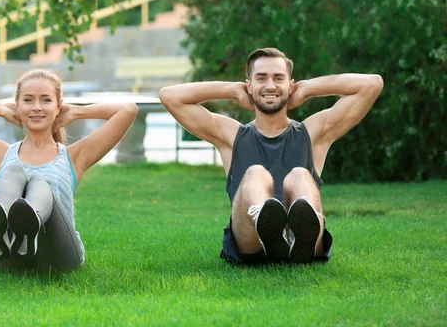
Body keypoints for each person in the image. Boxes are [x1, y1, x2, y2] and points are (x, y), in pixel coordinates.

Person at [160, 48, 383, 265]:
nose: (270, 86)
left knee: (299, 175)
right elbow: (170, 96)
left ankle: (299, 236)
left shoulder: (313, 133)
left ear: (290, 85)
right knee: (255, 173)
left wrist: (309, 88)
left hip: (306, 245)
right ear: (250, 85)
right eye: (261, 78)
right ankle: (264, 224)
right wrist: (233, 90)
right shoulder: (231, 135)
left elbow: (372, 84)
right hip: (250, 241)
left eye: (278, 78)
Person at [0, 69, 138, 272]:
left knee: (38, 180)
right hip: (5, 255)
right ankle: (2, 239)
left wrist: (77, 111)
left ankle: (30, 225)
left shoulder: (75, 157)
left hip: (57, 256)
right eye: (28, 100)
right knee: (13, 172)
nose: (37, 107)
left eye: (46, 100)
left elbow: (128, 110)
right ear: (16, 106)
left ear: (58, 107)